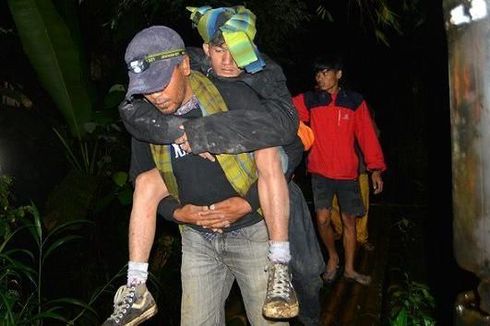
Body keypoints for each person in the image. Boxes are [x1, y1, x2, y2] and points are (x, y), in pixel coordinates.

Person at [103, 25, 298, 325]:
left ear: (184, 65)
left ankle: (279, 265)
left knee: (270, 321)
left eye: (160, 84)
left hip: (251, 232)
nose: (154, 96)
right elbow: (140, 178)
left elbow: (288, 153)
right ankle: (136, 287)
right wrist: (180, 213)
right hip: (197, 242)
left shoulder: (234, 91)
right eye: (146, 88)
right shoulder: (149, 119)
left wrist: (248, 202)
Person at [292, 54, 386, 286]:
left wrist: (375, 169)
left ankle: (351, 269)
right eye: (317, 74)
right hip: (320, 172)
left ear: (338, 74)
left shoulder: (354, 101)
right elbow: (285, 110)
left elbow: (367, 136)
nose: (320, 78)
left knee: (349, 222)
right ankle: (333, 258)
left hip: (347, 174)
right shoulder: (311, 99)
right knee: (323, 219)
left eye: (325, 72)